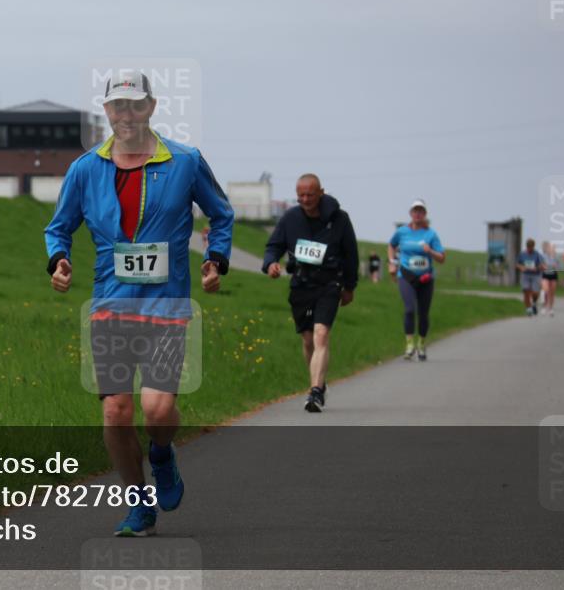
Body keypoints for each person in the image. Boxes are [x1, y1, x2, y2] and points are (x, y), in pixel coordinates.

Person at [45, 69, 234, 537]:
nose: (125, 115)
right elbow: (59, 226)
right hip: (110, 306)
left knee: (158, 410)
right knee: (114, 411)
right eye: (117, 107)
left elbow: (221, 213)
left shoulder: (185, 161)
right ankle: (138, 503)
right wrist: (59, 260)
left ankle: (162, 453)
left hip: (166, 306)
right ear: (106, 112)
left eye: (135, 105)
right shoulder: (86, 169)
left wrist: (216, 260)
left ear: (150, 107)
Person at [261, 174, 358, 413]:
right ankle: (319, 382)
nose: (305, 199)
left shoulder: (340, 220)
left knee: (321, 334)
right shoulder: (290, 218)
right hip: (301, 285)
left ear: (321, 192)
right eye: (301, 195)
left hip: (330, 284)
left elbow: (351, 254)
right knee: (307, 340)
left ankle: (315, 391)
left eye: (310, 194)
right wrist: (271, 263)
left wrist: (349, 286)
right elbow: (274, 246)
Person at [388, 200, 446, 360]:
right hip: (406, 275)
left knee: (423, 313)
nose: (418, 213)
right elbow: (391, 245)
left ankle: (421, 343)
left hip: (426, 277)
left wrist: (430, 251)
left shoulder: (431, 234)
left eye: (421, 211)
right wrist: (392, 262)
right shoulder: (402, 232)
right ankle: (409, 344)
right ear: (411, 213)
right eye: (415, 210)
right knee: (409, 309)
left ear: (425, 214)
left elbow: (442, 258)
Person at [516, 238, 545, 317]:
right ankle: (528, 309)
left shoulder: (537, 255)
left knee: (535, 292)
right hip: (525, 274)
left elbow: (543, 265)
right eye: (528, 247)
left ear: (533, 247)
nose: (529, 249)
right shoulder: (522, 254)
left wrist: (537, 268)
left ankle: (534, 303)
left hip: (535, 275)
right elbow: (518, 264)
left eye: (531, 247)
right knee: (526, 291)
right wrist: (521, 267)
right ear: (526, 247)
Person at [540, 241, 560, 316]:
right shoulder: (543, 256)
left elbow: (559, 267)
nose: (550, 250)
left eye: (551, 248)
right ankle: (544, 306)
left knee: (552, 293)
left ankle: (551, 308)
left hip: (553, 275)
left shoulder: (556, 256)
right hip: (545, 275)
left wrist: (555, 266)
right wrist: (545, 266)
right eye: (549, 248)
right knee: (546, 290)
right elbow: (541, 265)